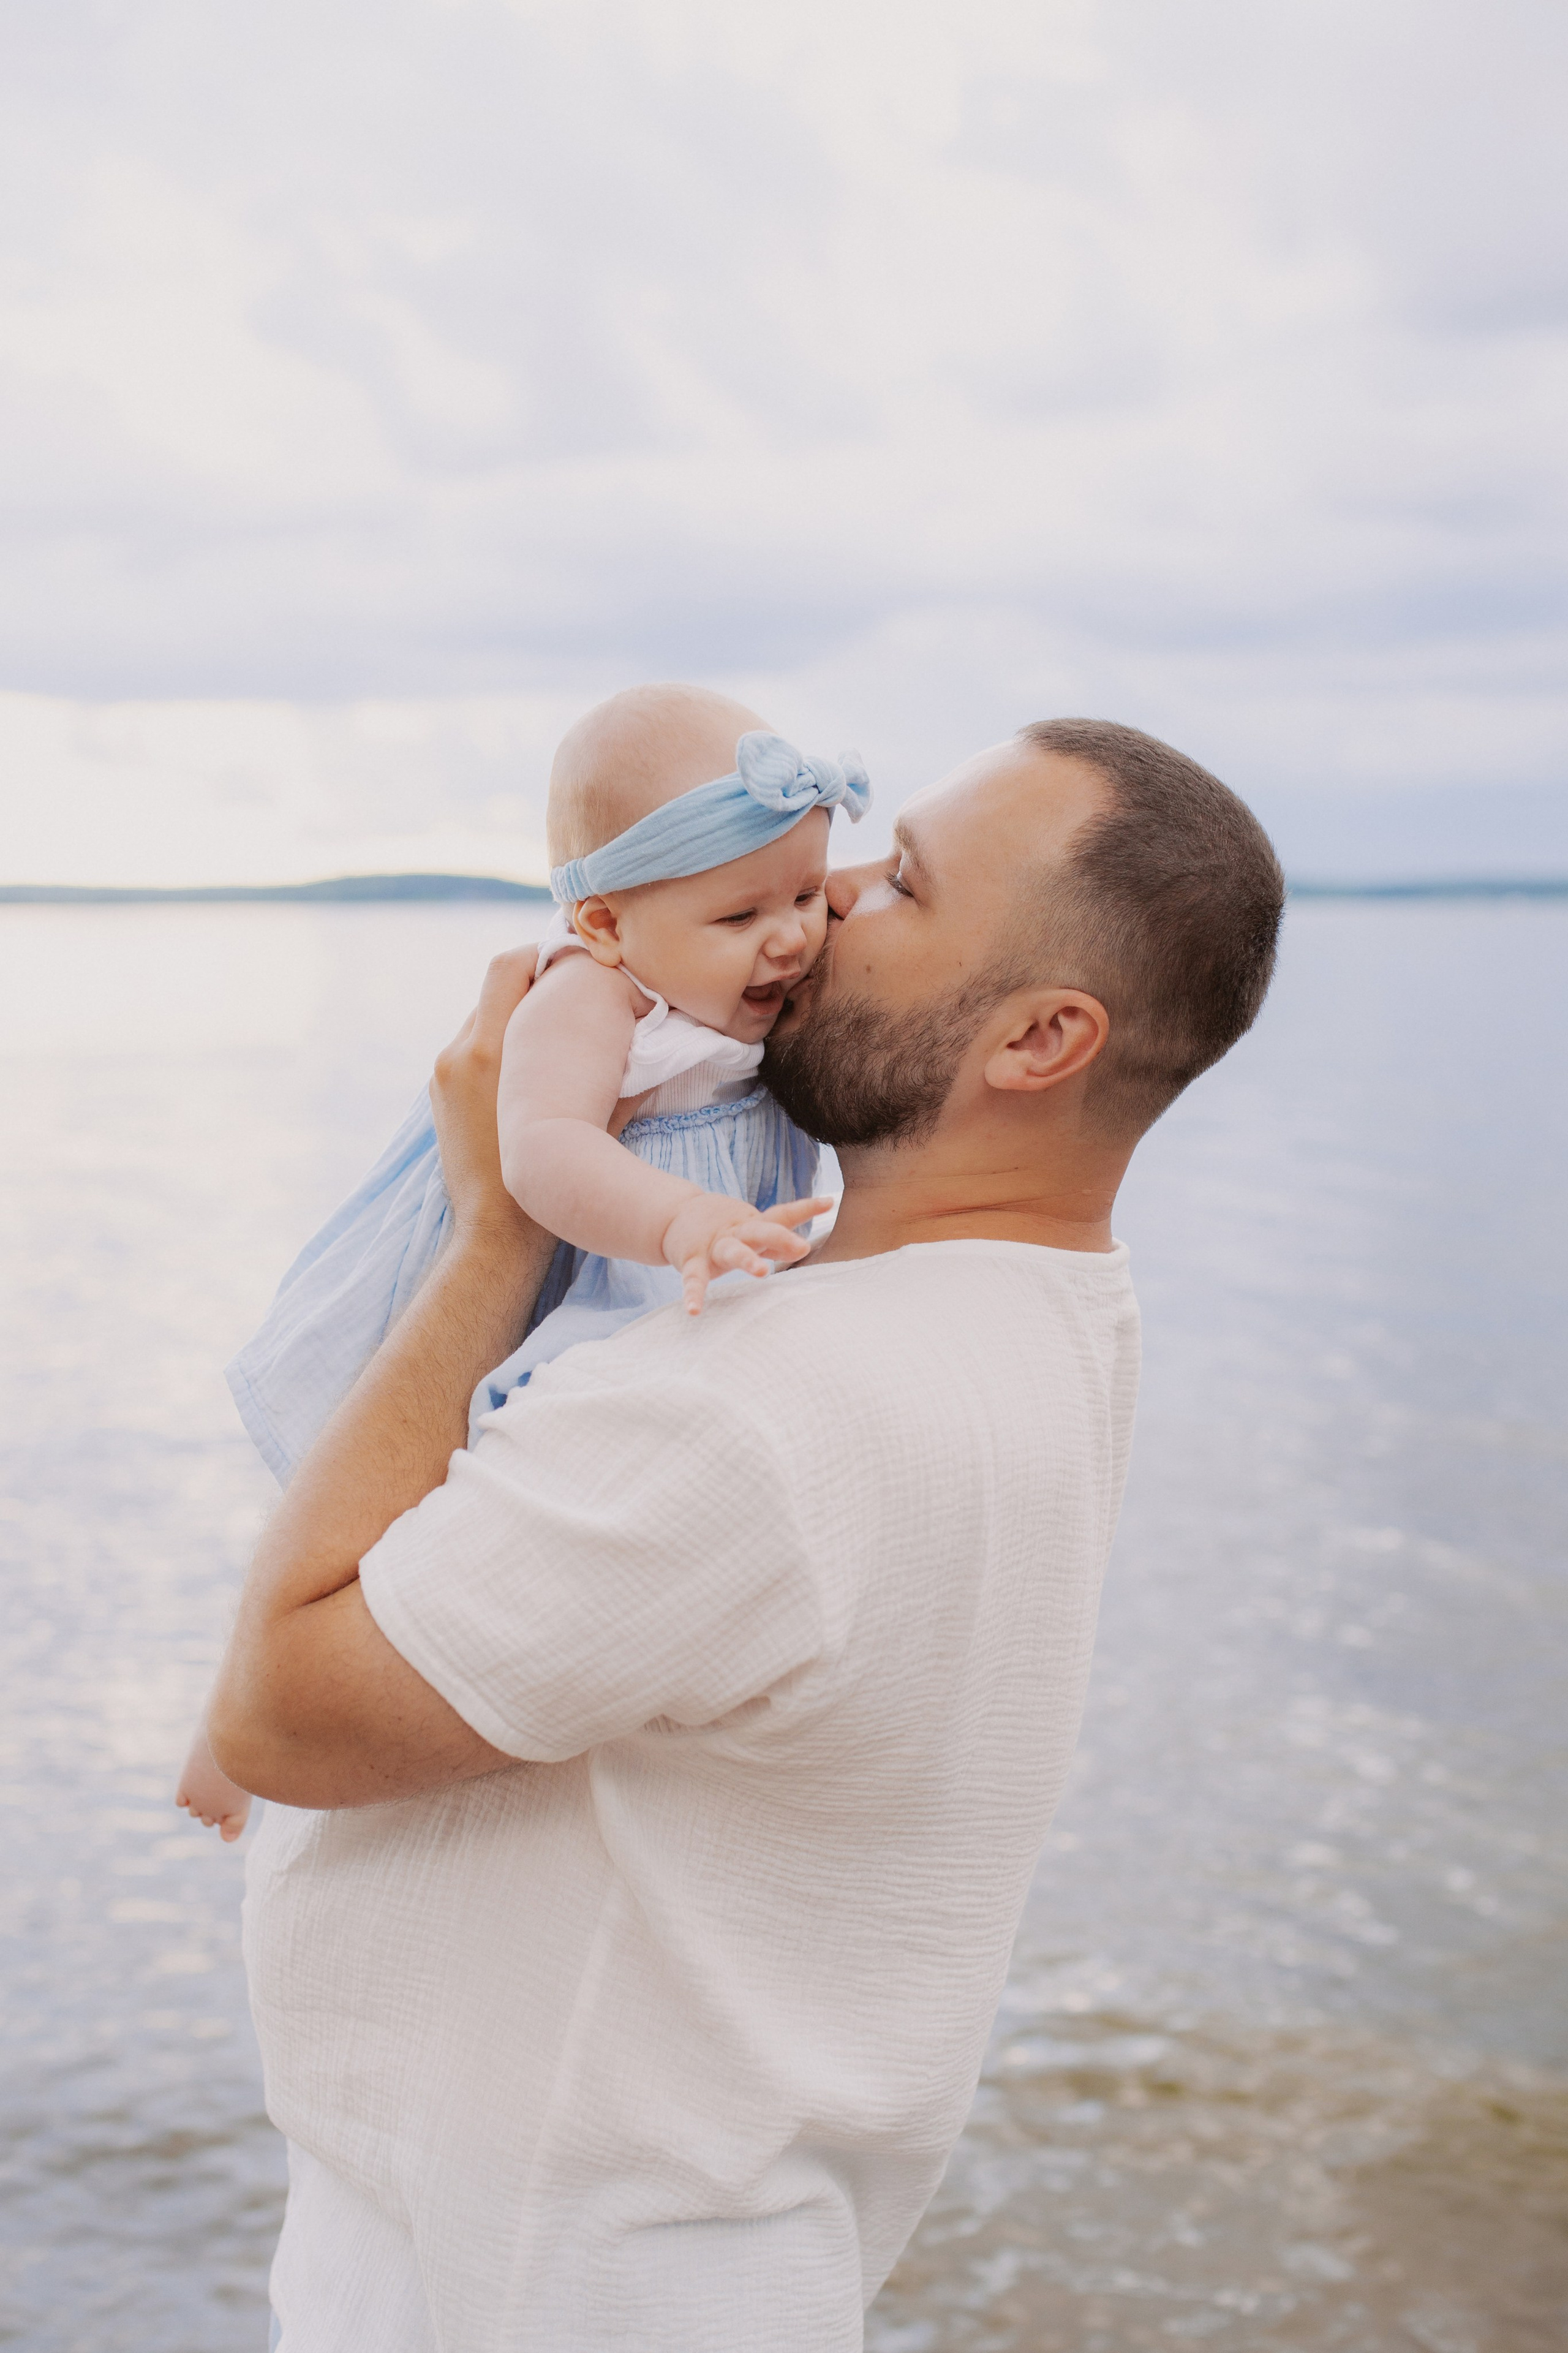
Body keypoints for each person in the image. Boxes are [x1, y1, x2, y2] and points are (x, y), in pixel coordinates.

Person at [207, 716, 1284, 2353]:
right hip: (671, 2264)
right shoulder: (1053, 1314)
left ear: (1041, 1036)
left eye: (901, 882)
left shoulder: (762, 1411)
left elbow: (282, 1713)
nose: (827, 896)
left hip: (543, 2294)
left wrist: (498, 1231)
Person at [178, 684, 869, 1838]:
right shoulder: (589, 995)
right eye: (742, 914)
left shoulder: (734, 973)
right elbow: (541, 1158)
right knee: (408, 1494)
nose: (792, 935)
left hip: (660, 1257)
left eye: (806, 892)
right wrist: (679, 1222)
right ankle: (229, 1737)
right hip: (582, 1261)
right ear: (603, 922)